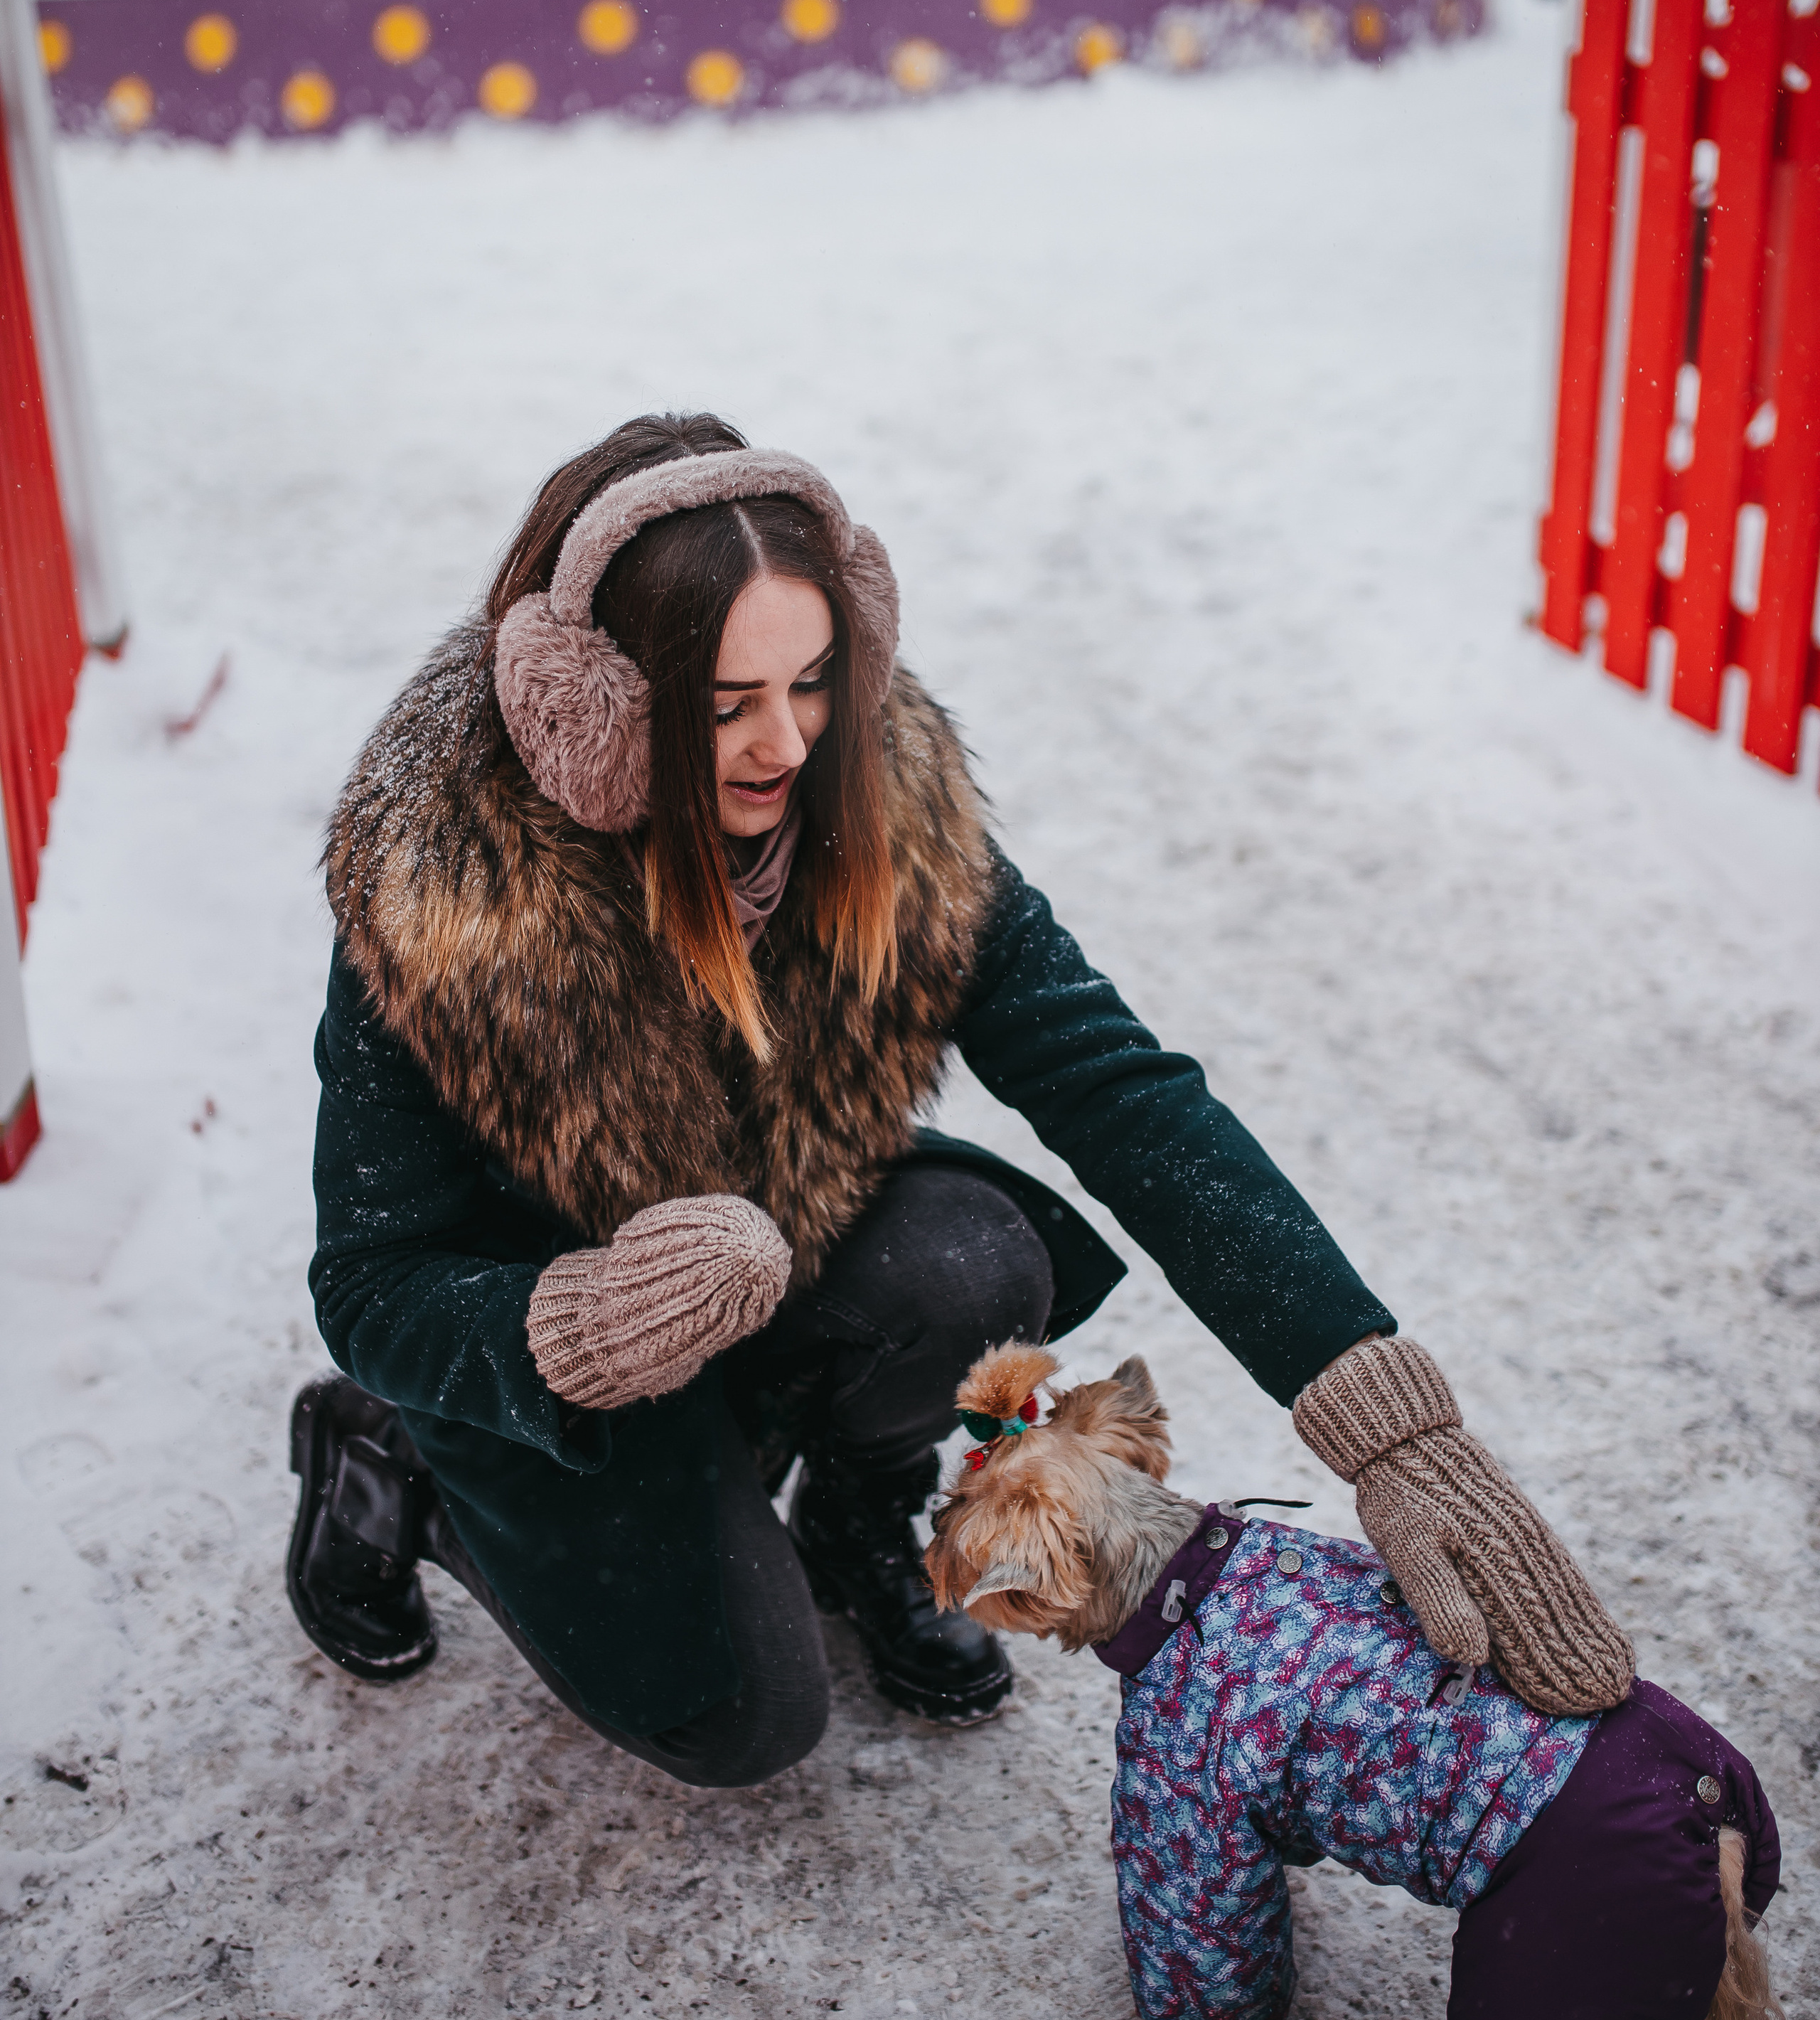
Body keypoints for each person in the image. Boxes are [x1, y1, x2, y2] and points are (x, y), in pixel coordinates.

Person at [290, 414, 1637, 1789]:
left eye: (814, 681)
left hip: (776, 1264)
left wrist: (1374, 1408)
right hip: (560, 1364)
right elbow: (372, 1275)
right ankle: (389, 1461)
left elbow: (1118, 1087)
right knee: (742, 1722)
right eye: (722, 704)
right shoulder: (441, 900)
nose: (786, 745)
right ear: (591, 708)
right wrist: (567, 1331)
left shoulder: (883, 815)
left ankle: (850, 1522)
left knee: (972, 1264)